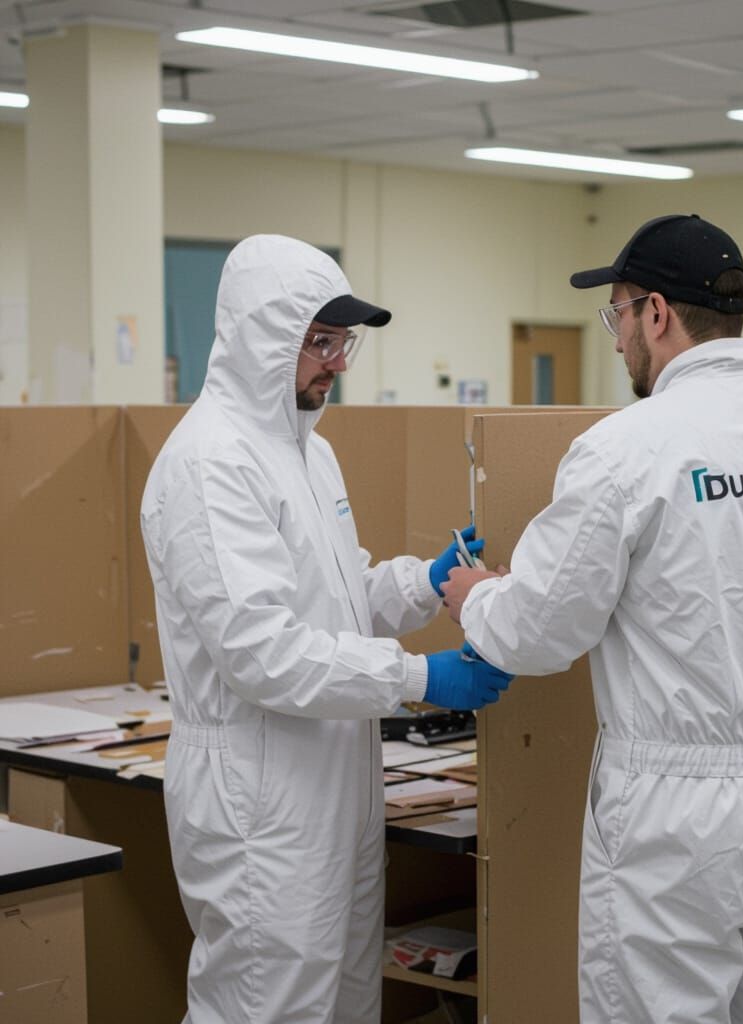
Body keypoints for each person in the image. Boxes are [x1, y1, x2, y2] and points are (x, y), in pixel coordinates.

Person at [441, 215, 743, 1024]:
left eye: (617, 316)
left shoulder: (629, 448)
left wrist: (476, 598)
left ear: (656, 314)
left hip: (682, 816)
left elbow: (540, 630)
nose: (615, 344)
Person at [141, 234, 512, 1024]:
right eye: (319, 340)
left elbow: (335, 603)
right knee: (265, 1006)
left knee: (344, 998)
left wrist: (423, 579)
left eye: (344, 341)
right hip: (259, 792)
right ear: (257, 337)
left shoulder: (310, 452)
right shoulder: (211, 464)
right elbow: (264, 655)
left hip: (332, 778)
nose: (338, 362)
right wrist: (423, 678)